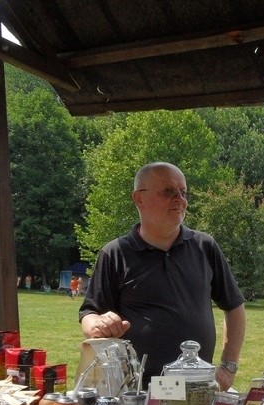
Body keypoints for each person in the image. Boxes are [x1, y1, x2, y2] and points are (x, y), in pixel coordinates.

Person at [79, 161, 246, 391]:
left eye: (183, 192)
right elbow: (89, 314)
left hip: (199, 389)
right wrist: (99, 324)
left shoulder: (204, 246)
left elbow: (235, 307)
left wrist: (228, 368)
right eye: (169, 191)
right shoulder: (116, 253)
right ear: (139, 199)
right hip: (137, 392)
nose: (180, 199)